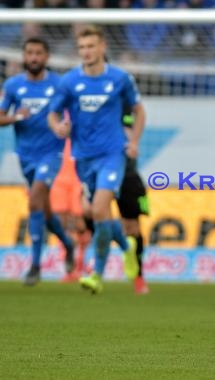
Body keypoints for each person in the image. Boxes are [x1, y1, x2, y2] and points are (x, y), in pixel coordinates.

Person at [48, 25, 146, 295]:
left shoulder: (120, 78)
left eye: (91, 46)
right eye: (82, 48)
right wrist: (58, 128)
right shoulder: (69, 82)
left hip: (113, 153)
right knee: (94, 212)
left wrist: (134, 142)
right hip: (83, 157)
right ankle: (127, 249)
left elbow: (139, 111)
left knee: (101, 208)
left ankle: (96, 273)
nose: (86, 52)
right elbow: (53, 114)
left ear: (102, 47)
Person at [0, 37, 75, 286]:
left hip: (51, 153)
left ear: (46, 56)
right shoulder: (13, 85)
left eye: (38, 53)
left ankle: (35, 265)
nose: (34, 57)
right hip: (26, 155)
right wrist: (15, 117)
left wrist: (67, 124)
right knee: (44, 209)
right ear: (24, 56)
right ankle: (67, 243)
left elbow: (71, 111)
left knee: (35, 200)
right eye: (30, 53)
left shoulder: (58, 83)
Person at [117, 105, 150, 295]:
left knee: (132, 228)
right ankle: (91, 268)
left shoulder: (125, 110)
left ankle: (138, 276)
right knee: (88, 213)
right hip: (98, 173)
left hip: (127, 177)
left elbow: (128, 135)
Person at [50, 137, 92, 281]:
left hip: (78, 178)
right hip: (58, 178)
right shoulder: (54, 117)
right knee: (62, 223)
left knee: (79, 223)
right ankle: (69, 268)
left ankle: (81, 263)